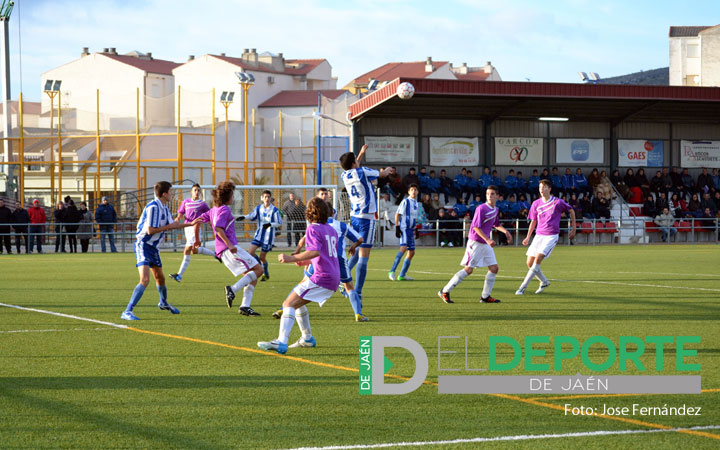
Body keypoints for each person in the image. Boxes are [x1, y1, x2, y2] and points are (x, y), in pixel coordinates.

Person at [257, 198, 339, 354]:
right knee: (298, 302)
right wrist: (304, 262)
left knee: (288, 304)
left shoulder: (313, 229)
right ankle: (307, 338)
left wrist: (292, 258)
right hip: (332, 275)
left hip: (322, 277)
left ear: (309, 212)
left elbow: (315, 251)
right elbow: (324, 255)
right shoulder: (331, 229)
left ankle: (281, 342)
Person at [121, 181, 195, 321]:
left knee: (160, 278)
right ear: (164, 194)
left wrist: (191, 223)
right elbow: (150, 230)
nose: (172, 194)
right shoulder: (153, 207)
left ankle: (163, 303)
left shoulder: (164, 208)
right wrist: (166, 227)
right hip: (143, 245)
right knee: (145, 279)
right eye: (171, 192)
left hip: (153, 248)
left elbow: (172, 225)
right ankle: (127, 311)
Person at [195, 181, 264, 316]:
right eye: (232, 195)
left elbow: (198, 220)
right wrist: (230, 245)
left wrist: (197, 238)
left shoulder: (213, 210)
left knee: (251, 277)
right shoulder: (224, 209)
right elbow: (219, 228)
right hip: (229, 249)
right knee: (259, 269)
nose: (234, 197)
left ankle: (245, 306)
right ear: (226, 197)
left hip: (222, 251)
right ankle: (233, 289)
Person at [438, 185, 512, 304]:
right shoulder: (481, 208)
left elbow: (496, 224)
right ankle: (445, 291)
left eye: (492, 194)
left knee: (494, 268)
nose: (489, 196)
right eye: (488, 194)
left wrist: (506, 232)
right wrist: (488, 240)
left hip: (485, 243)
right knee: (468, 270)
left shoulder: (496, 209)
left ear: (498, 196)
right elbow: (476, 227)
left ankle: (485, 297)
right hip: (476, 242)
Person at [339, 145, 390, 299]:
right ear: (354, 162)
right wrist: (388, 170)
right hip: (367, 218)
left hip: (354, 217)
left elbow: (354, 167)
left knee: (357, 250)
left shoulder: (345, 175)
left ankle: (343, 281)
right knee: (364, 256)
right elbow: (381, 175)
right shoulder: (363, 172)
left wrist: (360, 154)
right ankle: (358, 292)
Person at [516, 179, 576, 295]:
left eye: (544, 187)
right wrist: (528, 237)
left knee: (537, 259)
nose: (541, 190)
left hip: (551, 236)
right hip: (539, 236)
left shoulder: (557, 202)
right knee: (529, 263)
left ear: (549, 189)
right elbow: (533, 221)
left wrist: (574, 228)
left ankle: (522, 287)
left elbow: (571, 210)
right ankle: (544, 281)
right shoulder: (536, 203)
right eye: (540, 188)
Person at [169, 184, 214, 283]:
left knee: (187, 250)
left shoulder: (202, 204)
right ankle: (215, 254)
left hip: (195, 228)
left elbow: (209, 216)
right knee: (194, 251)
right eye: (195, 190)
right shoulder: (186, 202)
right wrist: (177, 219)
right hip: (187, 227)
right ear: (191, 191)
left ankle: (179, 276)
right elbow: (180, 213)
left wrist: (213, 226)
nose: (197, 192)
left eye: (198, 190)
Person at [237, 189, 282, 281]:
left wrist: (270, 224)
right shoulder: (259, 208)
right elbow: (252, 216)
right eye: (265, 197)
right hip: (259, 235)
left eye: (268, 197)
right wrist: (244, 217)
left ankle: (266, 273)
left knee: (262, 257)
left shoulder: (274, 210)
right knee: (250, 253)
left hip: (268, 238)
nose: (267, 199)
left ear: (270, 198)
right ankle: (259, 267)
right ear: (262, 198)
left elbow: (279, 222)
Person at [388, 184, 419, 282]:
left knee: (411, 252)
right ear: (409, 192)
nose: (413, 191)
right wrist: (397, 227)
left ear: (417, 192)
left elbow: (414, 217)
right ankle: (391, 271)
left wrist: (416, 228)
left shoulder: (416, 203)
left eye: (415, 190)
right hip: (404, 228)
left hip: (411, 230)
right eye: (412, 190)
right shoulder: (406, 201)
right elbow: (398, 213)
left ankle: (402, 275)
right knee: (403, 248)